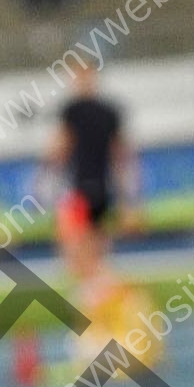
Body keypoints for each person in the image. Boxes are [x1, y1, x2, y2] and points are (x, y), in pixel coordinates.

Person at [48, 60, 133, 305]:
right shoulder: (105, 111)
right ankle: (100, 291)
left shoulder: (76, 110)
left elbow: (61, 148)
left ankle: (94, 292)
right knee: (90, 244)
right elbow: (121, 155)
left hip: (85, 188)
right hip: (99, 189)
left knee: (77, 244)